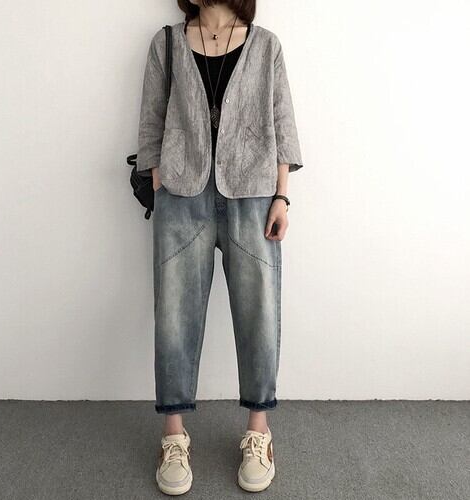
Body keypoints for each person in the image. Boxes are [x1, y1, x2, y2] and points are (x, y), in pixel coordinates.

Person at [136, 0, 303, 494]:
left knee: (258, 313)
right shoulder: (166, 43)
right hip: (181, 197)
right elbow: (151, 121)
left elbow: (283, 124)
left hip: (252, 197)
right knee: (174, 316)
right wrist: (160, 181)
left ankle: (258, 432)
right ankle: (173, 436)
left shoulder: (266, 45)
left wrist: (281, 197)